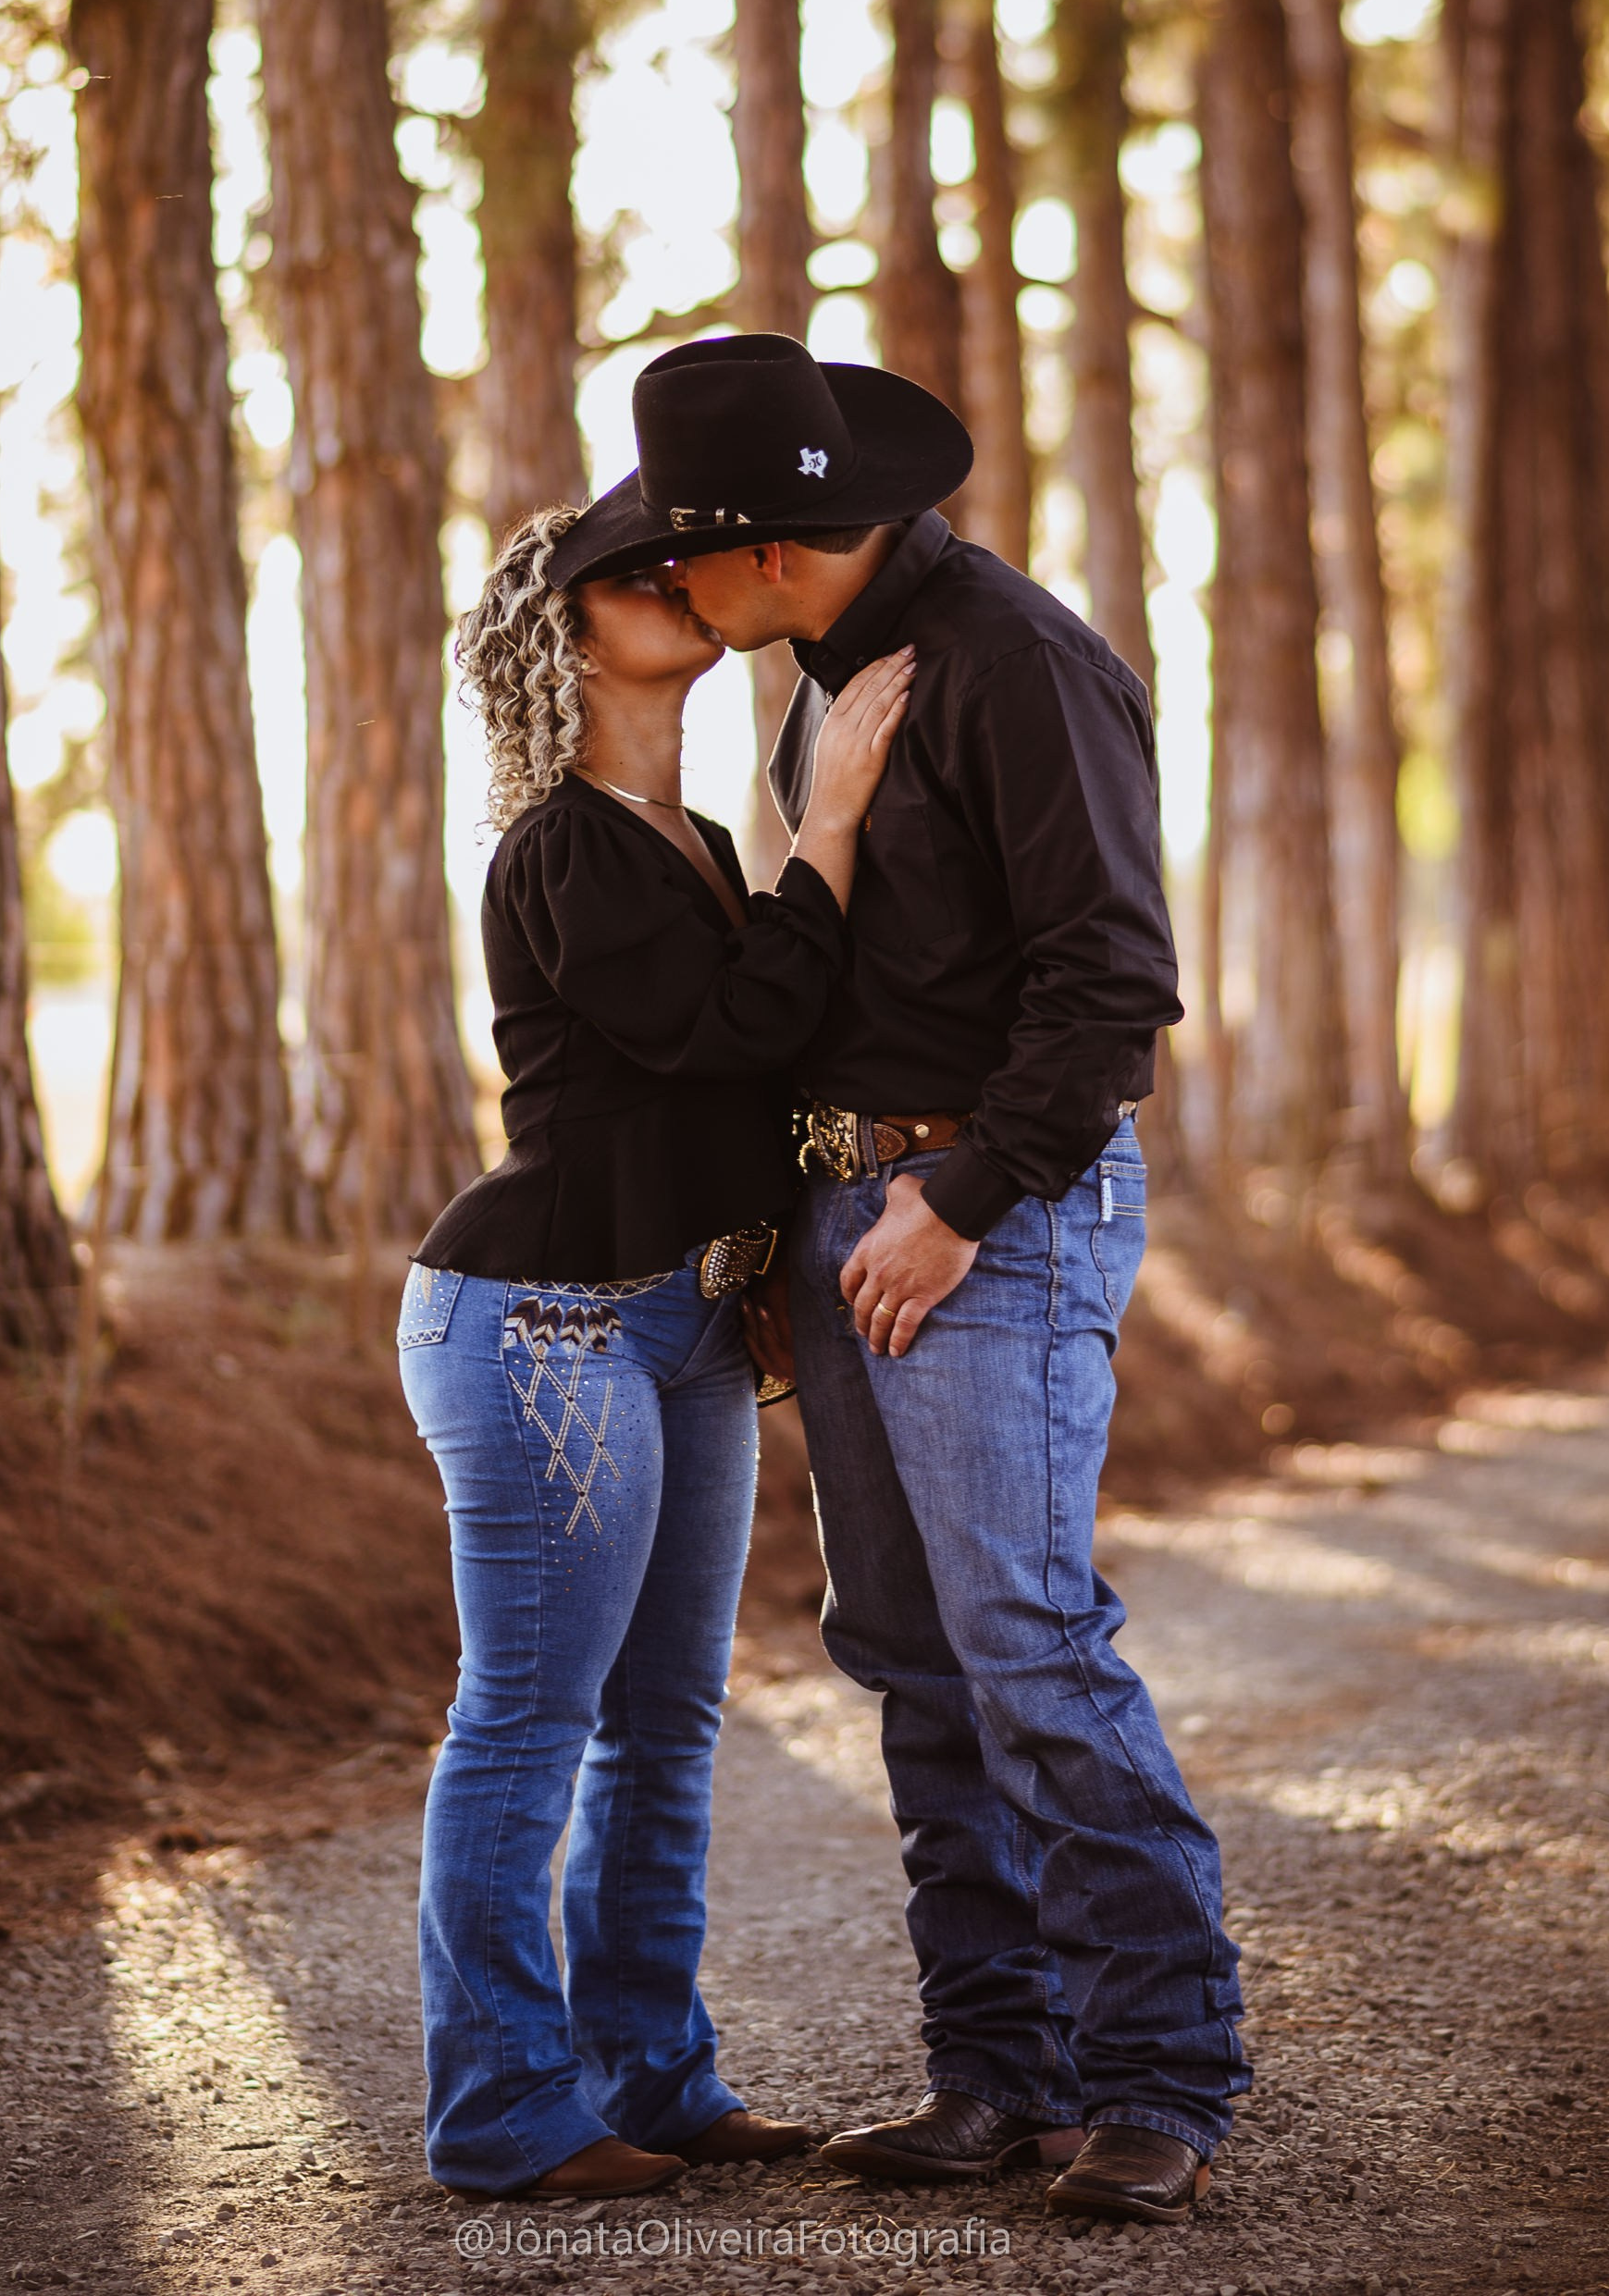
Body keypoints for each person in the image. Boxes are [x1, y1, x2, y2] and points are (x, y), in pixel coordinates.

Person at [591, 330, 1251, 2229]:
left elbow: (1111, 979)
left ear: (765, 549)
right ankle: (1000, 2070)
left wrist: (955, 1196)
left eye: (677, 551)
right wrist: (795, 1219)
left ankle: (1157, 2077)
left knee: (1024, 1642)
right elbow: (838, 985)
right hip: (850, 1218)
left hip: (992, 1211)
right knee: (907, 1652)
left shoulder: (1017, 662)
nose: (665, 584)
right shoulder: (825, 677)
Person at [397, 488, 913, 2204]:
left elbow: (740, 1093)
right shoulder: (560, 844)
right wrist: (830, 825)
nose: (676, 583)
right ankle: (501, 2111)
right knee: (529, 1722)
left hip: (685, 1321)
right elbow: (729, 1033)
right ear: (566, 634)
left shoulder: (682, 833)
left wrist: (758, 1255)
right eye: (632, 574)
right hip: (544, 1321)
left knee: (668, 1720)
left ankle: (655, 2077)